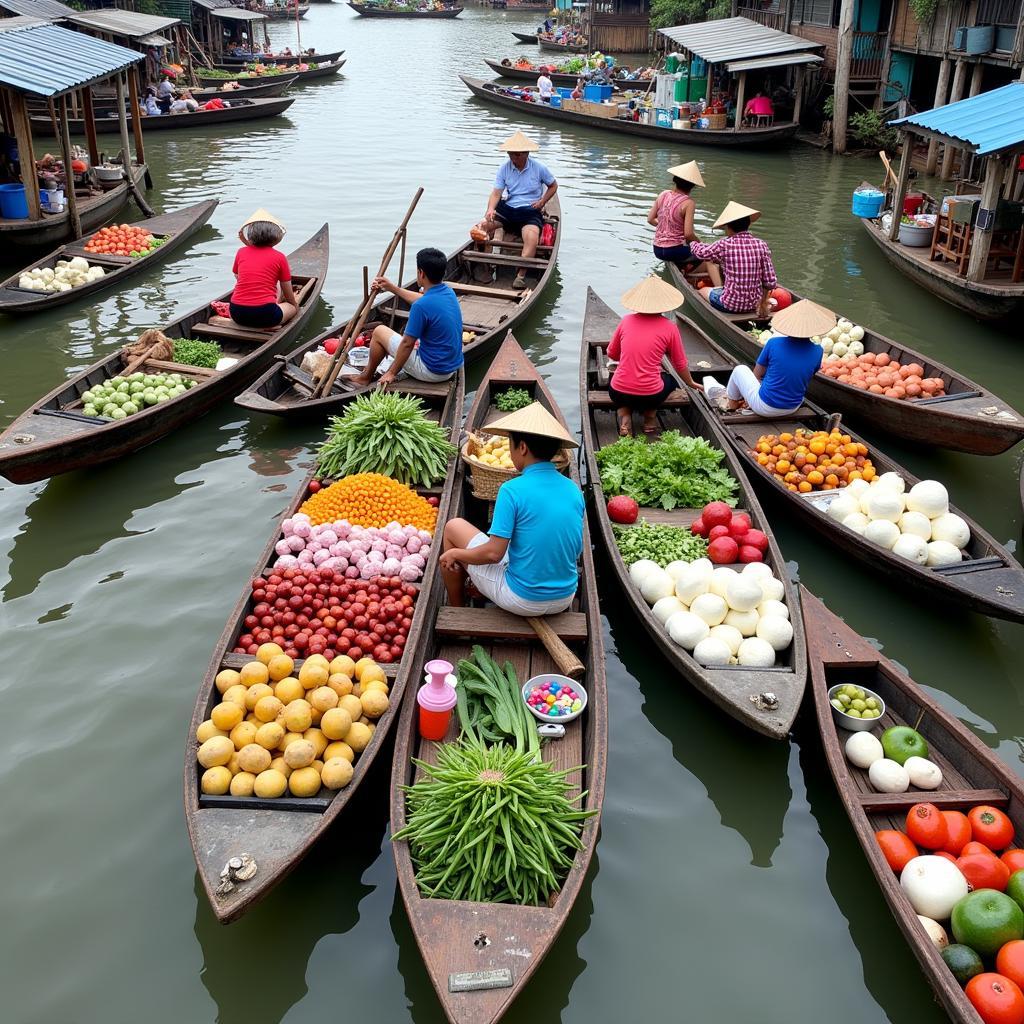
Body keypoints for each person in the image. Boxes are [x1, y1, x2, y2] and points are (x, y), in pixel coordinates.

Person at [439, 403, 584, 616]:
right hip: (564, 597)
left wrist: (455, 553)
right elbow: (573, 548)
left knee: (453, 528)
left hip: (522, 599)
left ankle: (457, 611)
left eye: (511, 444)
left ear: (522, 448)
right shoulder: (573, 490)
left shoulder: (511, 490)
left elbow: (493, 554)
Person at [350, 247, 464, 389]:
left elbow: (407, 344)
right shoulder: (448, 292)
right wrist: (392, 288)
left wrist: (391, 372)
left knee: (379, 331)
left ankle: (364, 378)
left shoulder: (421, 307)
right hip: (451, 368)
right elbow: (422, 299)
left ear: (421, 273)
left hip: (432, 372)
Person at [703, 299, 835, 417]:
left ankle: (731, 405)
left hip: (766, 407)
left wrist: (752, 397)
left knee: (740, 369)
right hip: (793, 407)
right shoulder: (818, 351)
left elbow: (757, 374)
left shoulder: (774, 343)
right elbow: (803, 375)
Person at [607, 276, 703, 436]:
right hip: (650, 396)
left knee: (619, 385)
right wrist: (691, 383)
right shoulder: (670, 327)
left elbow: (612, 353)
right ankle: (650, 418)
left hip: (618, 391)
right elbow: (679, 364)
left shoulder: (626, 321)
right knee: (670, 381)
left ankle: (624, 417)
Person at [479, 131, 557, 290]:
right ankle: (486, 267)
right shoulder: (504, 168)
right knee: (480, 228)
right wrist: (490, 209)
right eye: (511, 155)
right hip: (508, 209)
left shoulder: (539, 168)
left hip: (529, 210)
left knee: (532, 238)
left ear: (526, 154)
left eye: (517, 155)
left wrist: (542, 201)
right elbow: (496, 193)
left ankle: (520, 276)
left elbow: (553, 186)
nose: (513, 159)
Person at [689, 201, 777, 316]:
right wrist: (763, 303)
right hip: (754, 304)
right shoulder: (761, 245)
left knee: (702, 291)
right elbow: (770, 282)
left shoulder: (725, 244)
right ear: (748, 225)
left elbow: (701, 253)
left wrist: (693, 243)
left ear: (729, 227)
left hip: (730, 305)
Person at [229, 209, 297, 329]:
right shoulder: (279, 257)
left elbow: (238, 276)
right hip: (265, 315)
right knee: (290, 307)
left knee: (271, 286)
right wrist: (294, 306)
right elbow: (287, 289)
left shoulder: (241, 252)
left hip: (236, 312)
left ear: (250, 235)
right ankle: (273, 324)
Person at [648, 160, 704, 269]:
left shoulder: (663, 194)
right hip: (675, 250)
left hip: (657, 250)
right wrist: (700, 244)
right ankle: (688, 269)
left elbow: (650, 219)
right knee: (705, 254)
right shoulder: (688, 203)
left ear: (675, 180)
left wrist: (666, 228)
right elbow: (688, 234)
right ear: (692, 186)